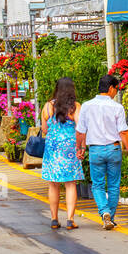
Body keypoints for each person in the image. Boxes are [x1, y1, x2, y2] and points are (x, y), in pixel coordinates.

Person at [76, 74, 128, 230]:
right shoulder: (117, 107)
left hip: (95, 150)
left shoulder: (86, 106)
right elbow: (123, 132)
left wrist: (80, 149)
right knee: (114, 186)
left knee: (97, 185)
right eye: (116, 89)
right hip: (114, 149)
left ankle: (104, 213)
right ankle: (110, 215)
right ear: (111, 88)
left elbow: (80, 131)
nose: (116, 93)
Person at [40, 77, 83, 230]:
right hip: (70, 147)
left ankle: (54, 219)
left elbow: (44, 129)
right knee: (71, 184)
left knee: (53, 184)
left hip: (53, 148)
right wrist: (81, 147)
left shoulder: (47, 106)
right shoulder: (75, 107)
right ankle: (70, 220)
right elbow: (80, 128)